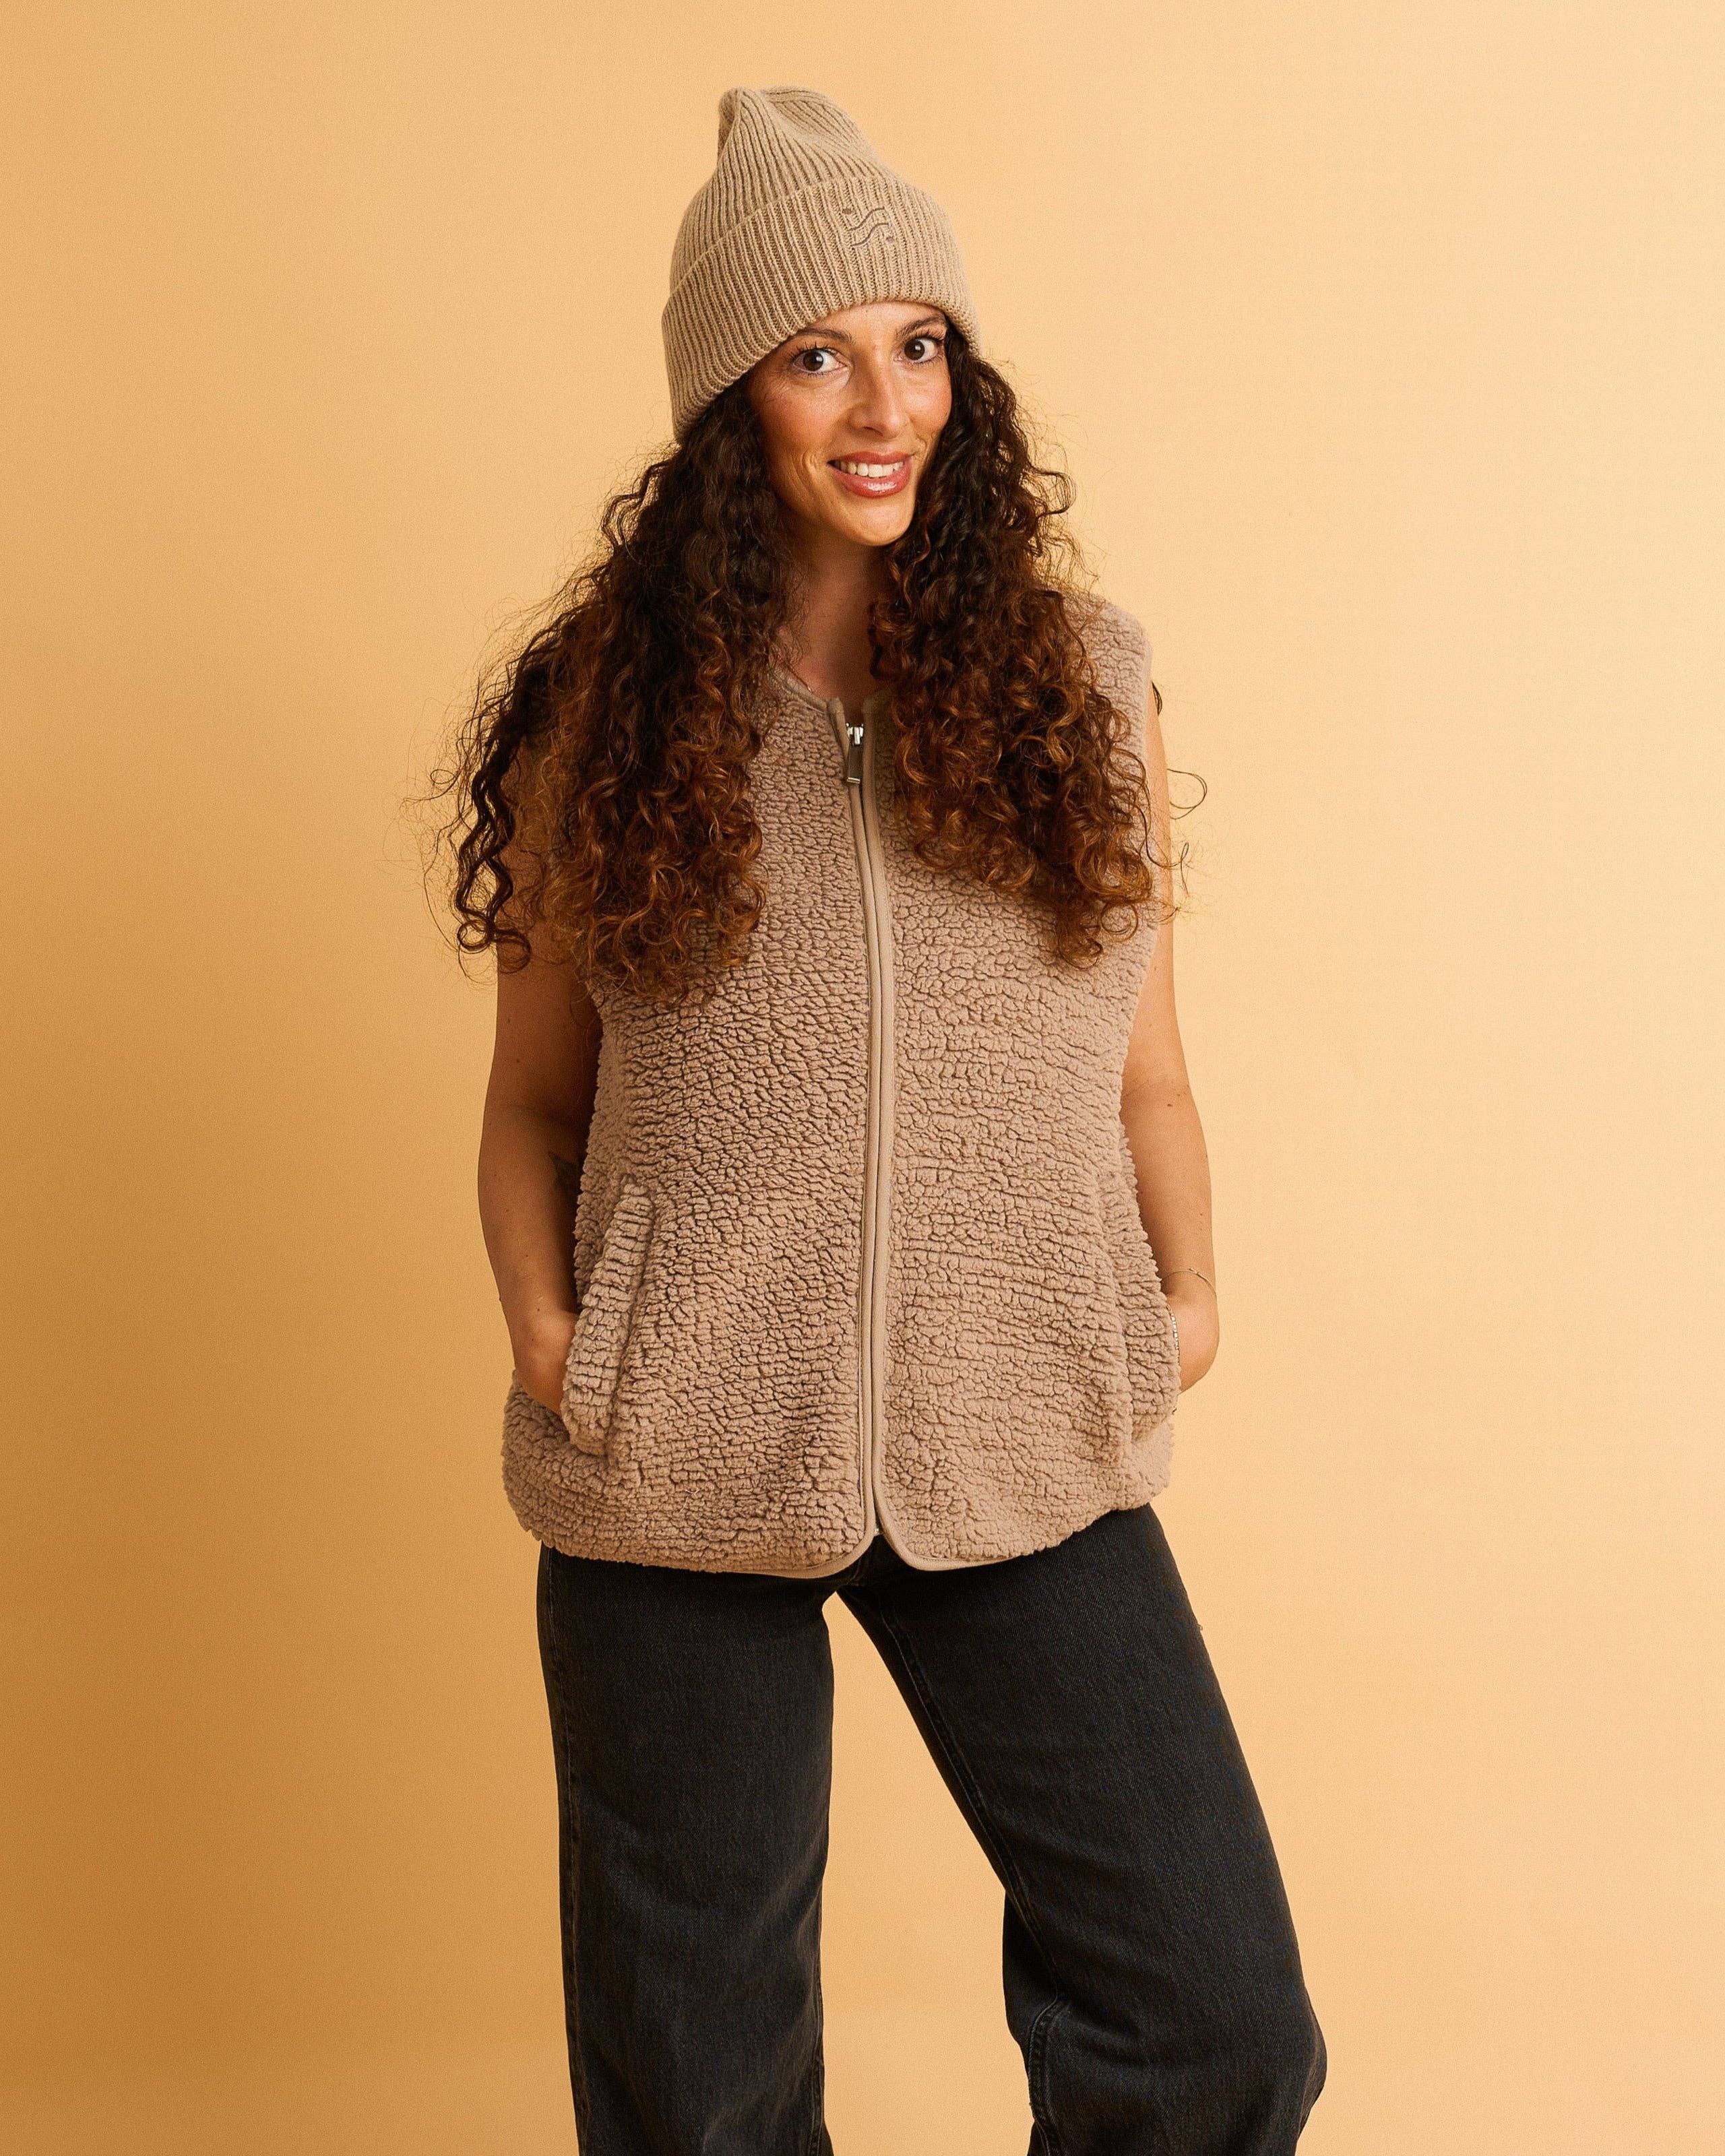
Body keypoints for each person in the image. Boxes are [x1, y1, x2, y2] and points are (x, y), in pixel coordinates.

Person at [431, 82, 1326, 2156]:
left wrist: (1181, 1306)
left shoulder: (1081, 682)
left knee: (1216, 2017)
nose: (884, 404)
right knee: (698, 2098)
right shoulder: (605, 714)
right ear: (725, 400)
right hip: (675, 1451)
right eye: (817, 355)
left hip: (1022, 1419)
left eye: (919, 346)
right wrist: (562, 1346)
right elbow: (532, 1105)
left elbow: (1148, 1068)